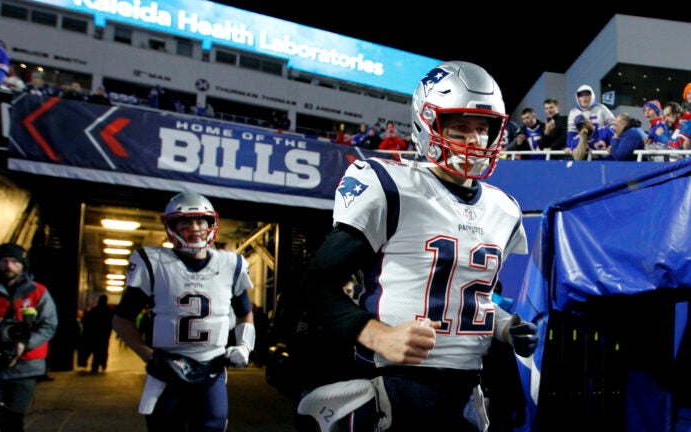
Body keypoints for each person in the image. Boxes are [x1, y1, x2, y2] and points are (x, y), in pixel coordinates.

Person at [300, 61, 538, 432]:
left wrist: (505, 327)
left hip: (466, 393)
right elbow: (317, 284)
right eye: (460, 126)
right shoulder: (389, 185)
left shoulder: (504, 209)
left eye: (483, 128)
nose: (474, 140)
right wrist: (377, 334)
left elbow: (470, 299)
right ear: (428, 124)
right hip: (392, 384)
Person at [112, 192, 255, 432]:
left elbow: (245, 314)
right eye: (186, 221)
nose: (195, 227)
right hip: (167, 366)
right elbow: (121, 319)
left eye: (201, 221)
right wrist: (149, 357)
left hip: (213, 365)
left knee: (212, 427)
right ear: (171, 225)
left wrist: (244, 346)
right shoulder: (153, 261)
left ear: (211, 224)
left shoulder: (231, 264)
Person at [0, 243, 58, 432]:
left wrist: (24, 343)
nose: (9, 266)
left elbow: (49, 325)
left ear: (23, 264)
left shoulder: (38, 292)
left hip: (24, 368)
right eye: (4, 261)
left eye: (14, 261)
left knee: (13, 419)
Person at [78, 295, 115, 373]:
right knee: (102, 350)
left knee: (94, 349)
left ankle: (94, 365)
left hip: (93, 334)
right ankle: (101, 364)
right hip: (104, 335)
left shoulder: (94, 310)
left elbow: (86, 321)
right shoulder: (109, 311)